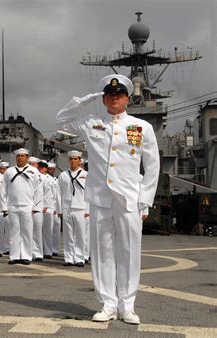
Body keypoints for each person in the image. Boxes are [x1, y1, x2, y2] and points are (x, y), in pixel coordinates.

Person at [55, 74, 159, 324]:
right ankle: (108, 304)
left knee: (129, 252)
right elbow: (61, 120)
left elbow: (153, 165)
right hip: (101, 198)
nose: (114, 98)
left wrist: (144, 199)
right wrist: (84, 100)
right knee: (102, 252)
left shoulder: (141, 127)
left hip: (129, 199)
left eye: (119, 95)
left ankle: (128, 305)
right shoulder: (91, 122)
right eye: (109, 95)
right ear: (103, 99)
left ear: (127, 99)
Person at [0, 148, 43, 265]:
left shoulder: (34, 171)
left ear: (27, 158)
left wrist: (36, 207)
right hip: (13, 206)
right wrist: (4, 206)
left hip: (27, 206)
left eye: (22, 156)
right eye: (18, 156)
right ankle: (14, 256)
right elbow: (3, 189)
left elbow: (38, 190)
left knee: (27, 232)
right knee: (14, 232)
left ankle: (26, 256)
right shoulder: (9, 171)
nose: (20, 158)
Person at [56, 151, 89, 267]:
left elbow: (90, 193)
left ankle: (80, 257)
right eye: (71, 159)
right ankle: (69, 258)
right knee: (68, 234)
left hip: (81, 207)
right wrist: (59, 209)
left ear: (80, 161)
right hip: (67, 207)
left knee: (80, 234)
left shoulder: (86, 174)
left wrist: (88, 210)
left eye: (75, 159)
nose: (73, 161)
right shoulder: (63, 175)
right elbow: (58, 193)